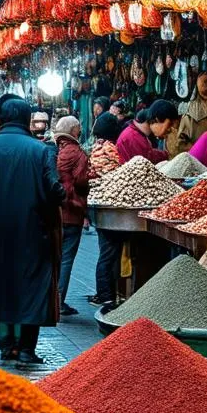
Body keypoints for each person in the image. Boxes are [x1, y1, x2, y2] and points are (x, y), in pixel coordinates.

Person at [0, 98, 65, 364]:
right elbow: (55, 191)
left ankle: (5, 345)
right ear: (27, 120)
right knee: (30, 286)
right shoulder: (41, 150)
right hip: (33, 232)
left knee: (0, 286)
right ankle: (25, 348)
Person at [54, 116, 90, 317]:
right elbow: (81, 182)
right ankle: (58, 302)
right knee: (66, 258)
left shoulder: (54, 151)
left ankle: (51, 300)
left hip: (55, 211)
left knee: (55, 257)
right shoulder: (77, 154)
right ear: (75, 132)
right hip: (72, 211)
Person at [87, 112, 122, 307]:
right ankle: (105, 294)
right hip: (108, 202)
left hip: (97, 202)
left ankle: (105, 292)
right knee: (108, 252)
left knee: (105, 250)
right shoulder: (109, 148)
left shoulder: (96, 147)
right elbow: (119, 169)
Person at [170, 71, 207, 156]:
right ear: (197, 84)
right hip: (195, 154)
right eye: (205, 82)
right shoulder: (190, 106)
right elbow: (181, 139)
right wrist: (196, 150)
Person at [116, 99, 179, 164]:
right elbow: (147, 157)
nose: (152, 127)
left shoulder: (135, 131)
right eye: (151, 123)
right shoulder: (134, 136)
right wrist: (166, 155)